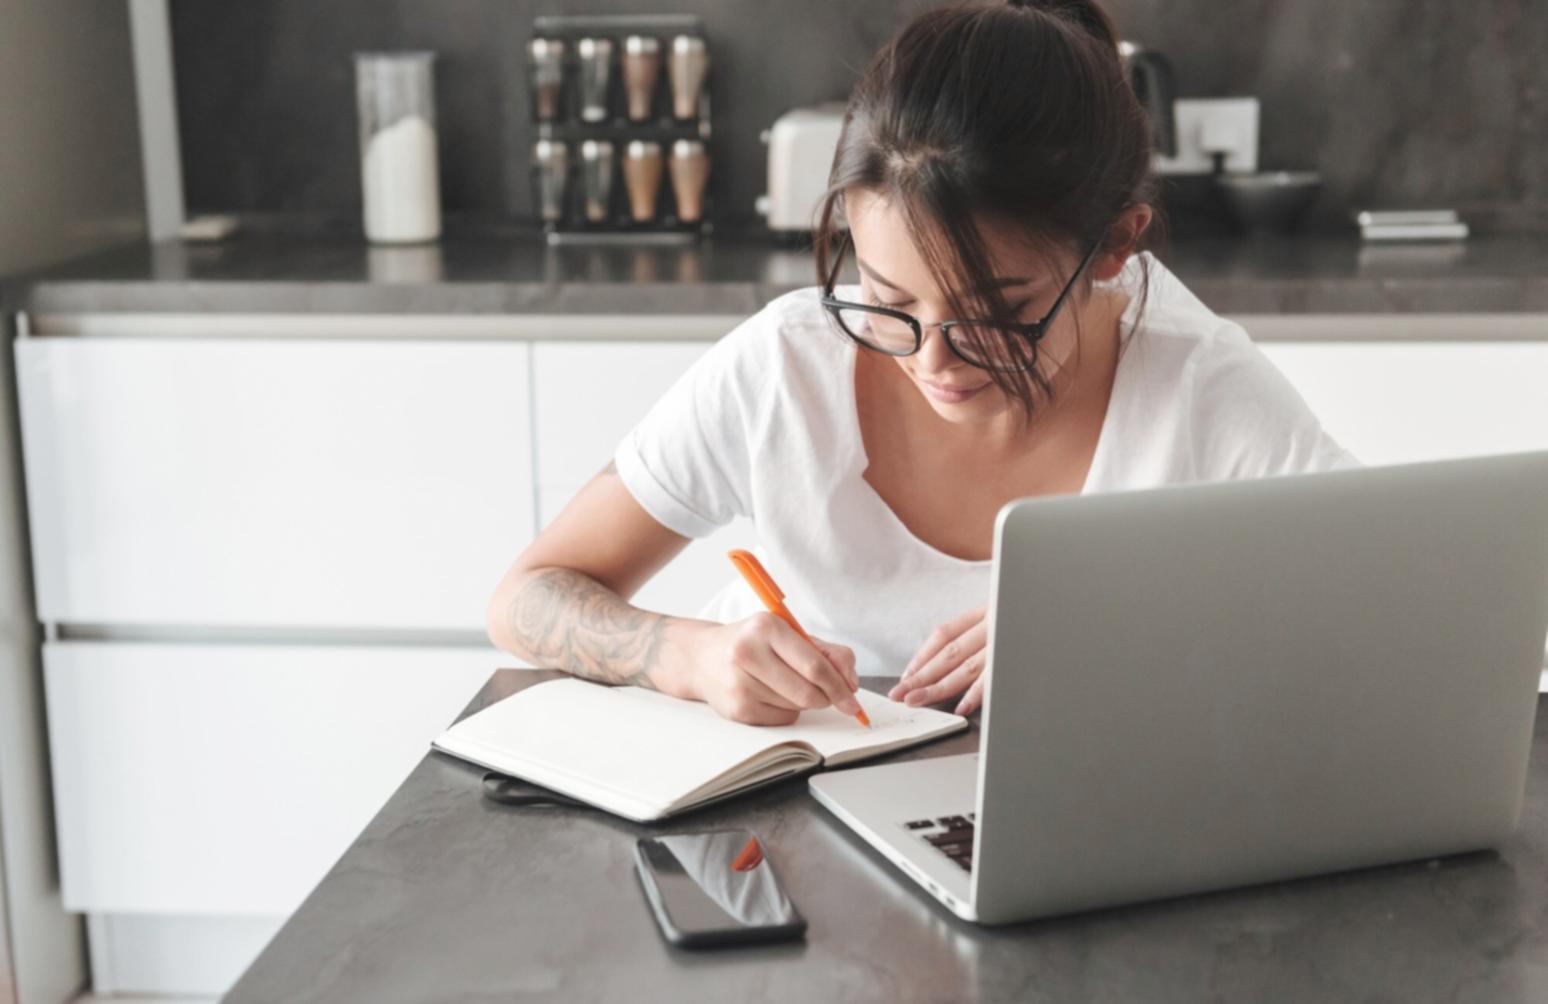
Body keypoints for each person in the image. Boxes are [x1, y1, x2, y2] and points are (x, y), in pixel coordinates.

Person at [486, 0, 1359, 724]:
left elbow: (1385, 618)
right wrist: (691, 655)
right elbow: (526, 598)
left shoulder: (1199, 388)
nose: (935, 359)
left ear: (1114, 247)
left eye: (996, 313)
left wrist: (1121, 626)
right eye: (889, 300)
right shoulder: (788, 366)